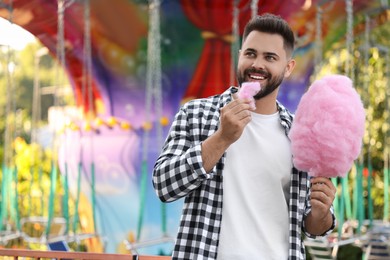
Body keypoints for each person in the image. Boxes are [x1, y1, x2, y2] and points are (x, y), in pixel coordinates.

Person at [152, 13, 336, 260]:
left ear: (288, 67)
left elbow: (313, 228)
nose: (257, 64)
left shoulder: (300, 134)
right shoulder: (196, 113)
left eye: (270, 57)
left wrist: (321, 213)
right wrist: (222, 138)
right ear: (239, 56)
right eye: (251, 53)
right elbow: (164, 186)